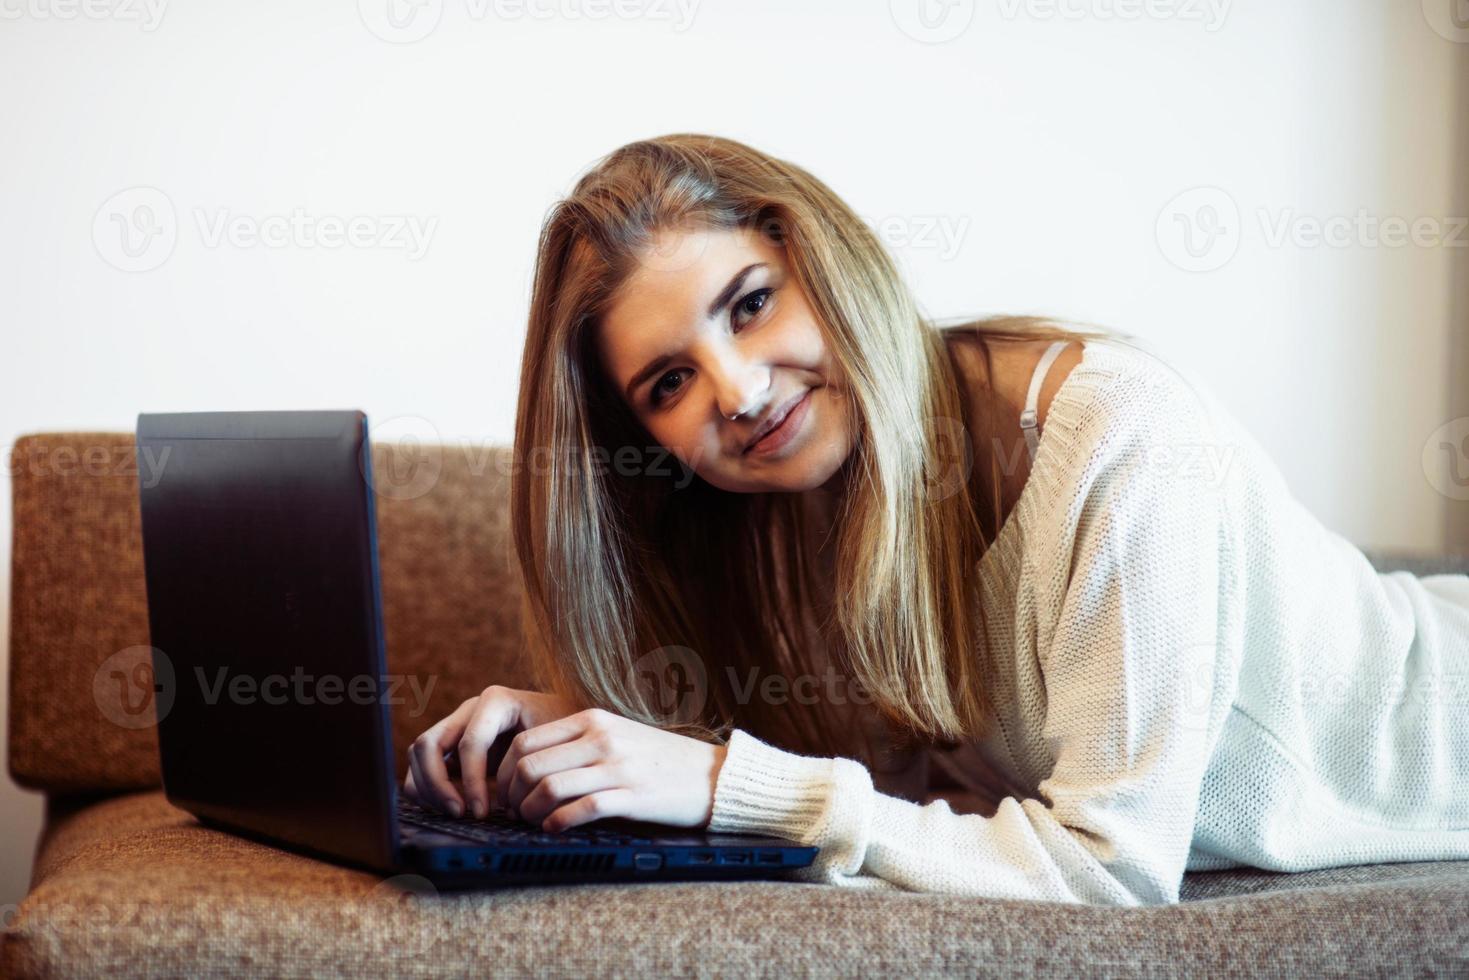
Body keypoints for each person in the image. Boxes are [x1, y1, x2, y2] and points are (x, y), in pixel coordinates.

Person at [403, 133, 1469, 905]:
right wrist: (591, 727)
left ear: (819, 256)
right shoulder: (801, 492)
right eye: (669, 380)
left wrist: (731, 783)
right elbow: (891, 771)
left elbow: (1106, 868)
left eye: (750, 302)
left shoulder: (1121, 442)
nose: (734, 390)